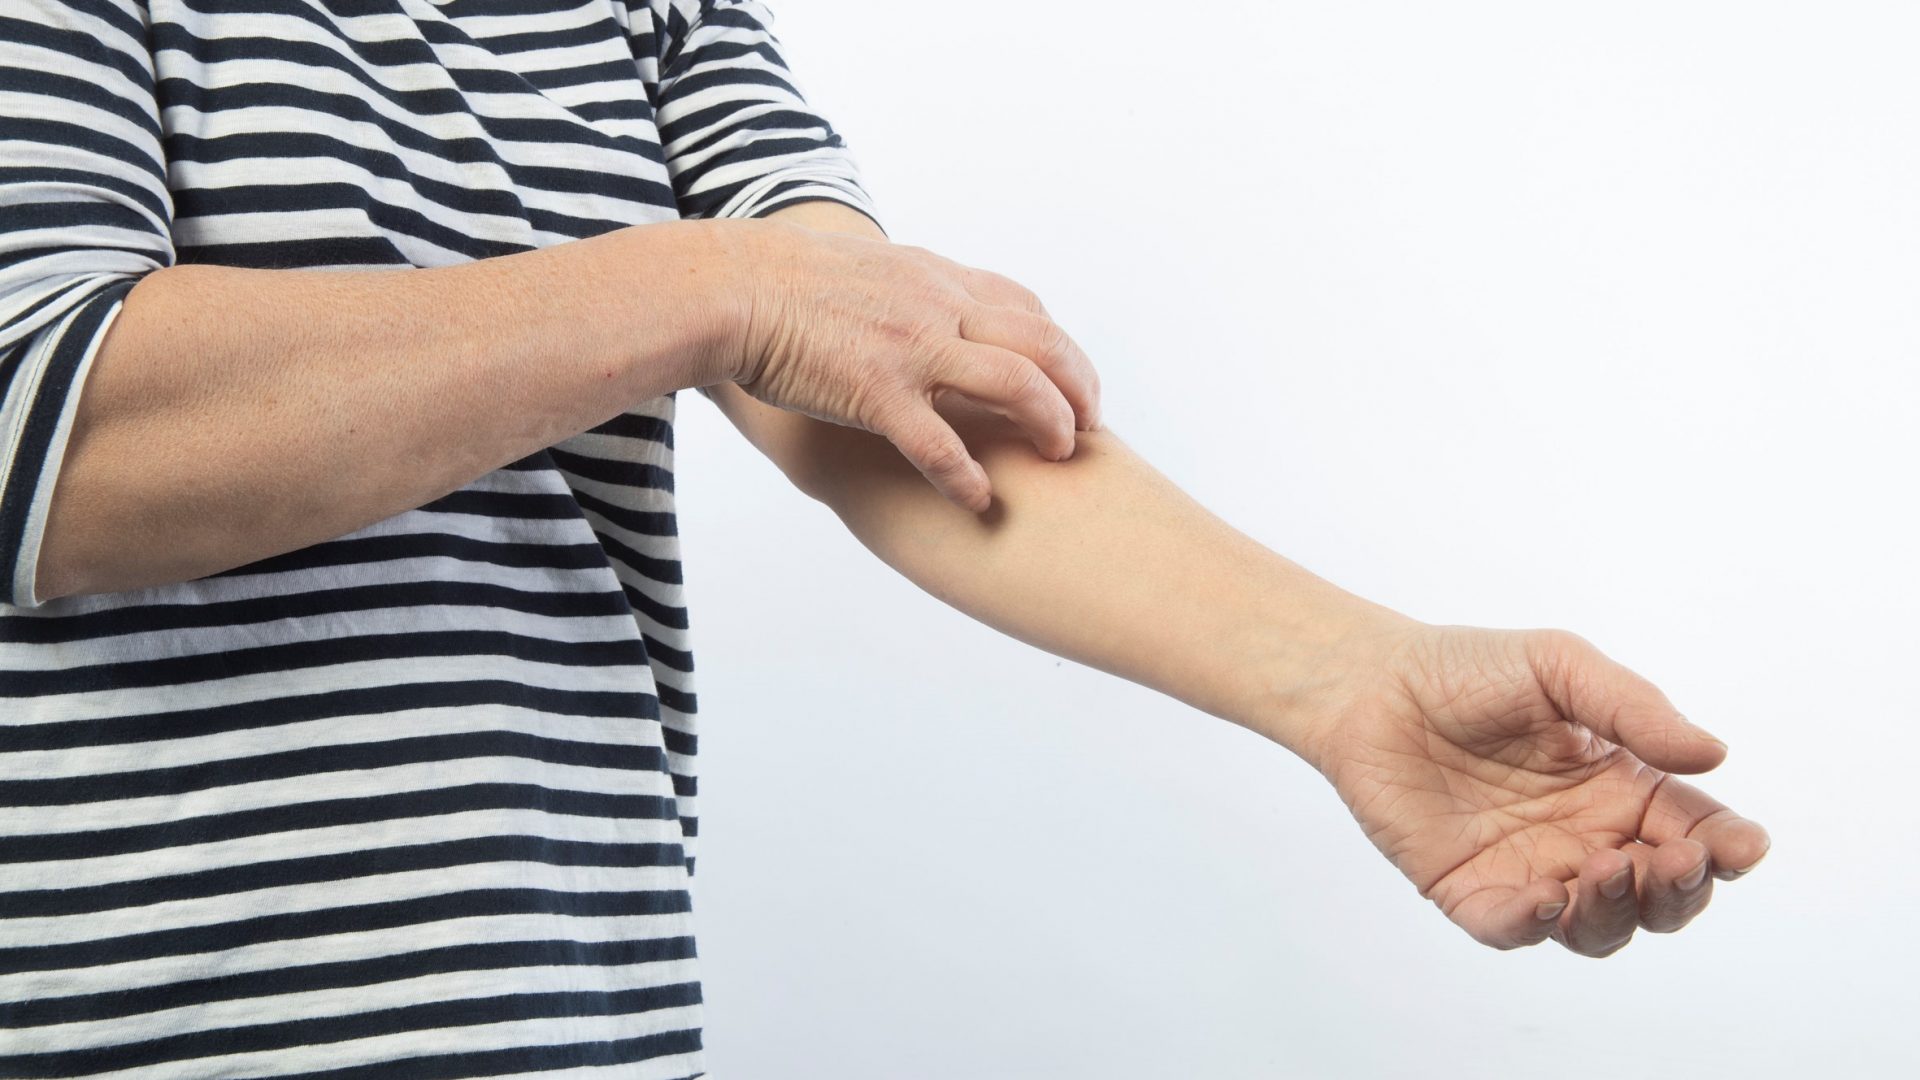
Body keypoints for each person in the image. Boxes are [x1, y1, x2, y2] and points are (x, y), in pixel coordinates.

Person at [0, 0, 1771, 1075]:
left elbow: (886, 384)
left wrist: (1355, 687)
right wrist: (709, 286)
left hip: (571, 1027)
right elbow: (41, 424)